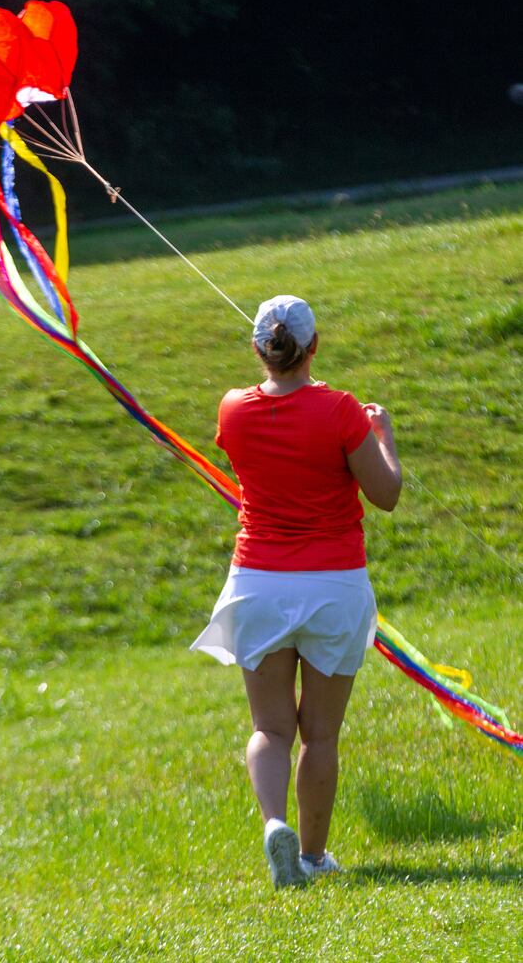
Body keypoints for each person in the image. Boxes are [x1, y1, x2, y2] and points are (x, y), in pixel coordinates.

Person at [190, 295, 402, 888]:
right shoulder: (341, 410)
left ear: (258, 348)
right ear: (314, 346)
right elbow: (386, 494)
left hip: (257, 584)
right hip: (334, 585)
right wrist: (382, 435)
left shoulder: (232, 408)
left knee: (270, 729)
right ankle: (311, 856)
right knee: (321, 734)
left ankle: (273, 824)